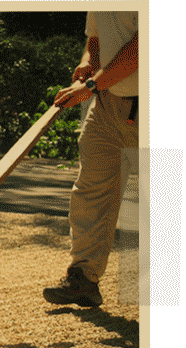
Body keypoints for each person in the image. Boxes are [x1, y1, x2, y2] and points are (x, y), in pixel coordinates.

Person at [43, 11, 138, 307]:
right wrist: (87, 63)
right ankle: (84, 277)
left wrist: (91, 86)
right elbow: (95, 38)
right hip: (108, 102)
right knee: (91, 190)